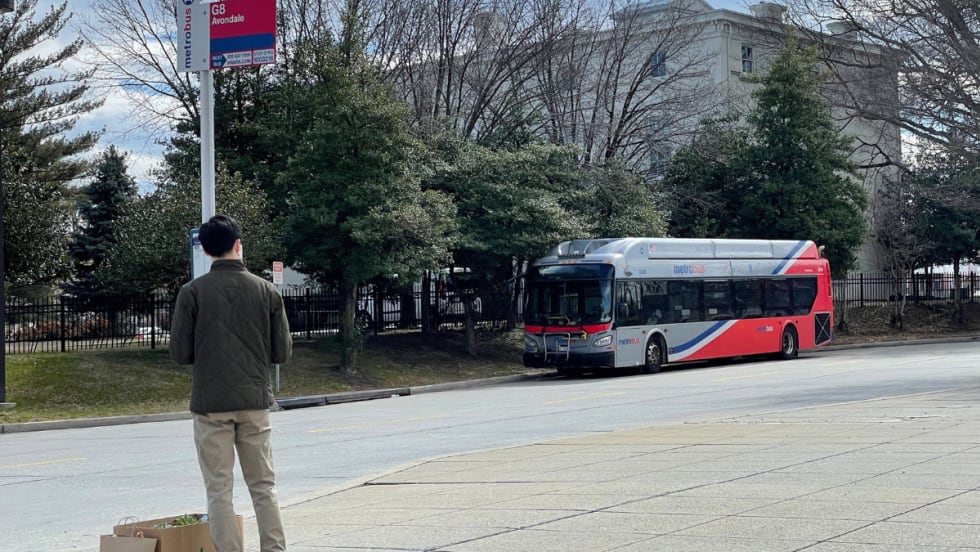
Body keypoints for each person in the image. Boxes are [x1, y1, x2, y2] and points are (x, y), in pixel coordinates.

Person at [169, 214, 292, 552]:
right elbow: (282, 352)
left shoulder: (191, 293)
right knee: (264, 487)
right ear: (239, 245)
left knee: (219, 490)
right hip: (254, 401)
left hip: (210, 405)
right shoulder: (266, 291)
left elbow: (180, 353)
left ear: (206, 252)